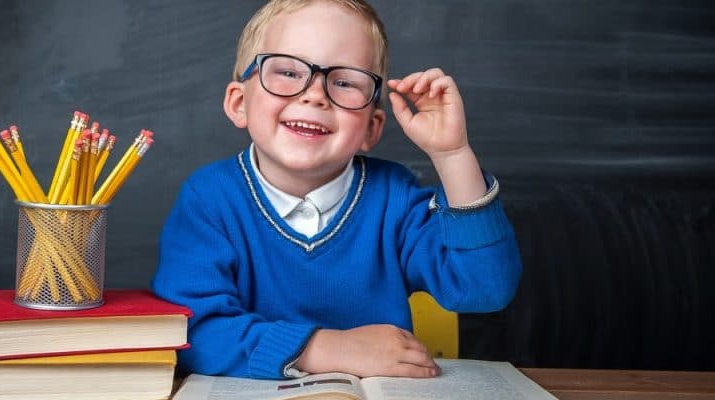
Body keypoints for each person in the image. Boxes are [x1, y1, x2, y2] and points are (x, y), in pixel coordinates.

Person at [152, 0, 522, 380]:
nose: (315, 94)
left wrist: (452, 154)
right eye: (287, 71)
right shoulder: (209, 200)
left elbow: (485, 288)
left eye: (344, 82)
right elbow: (192, 332)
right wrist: (324, 348)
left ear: (372, 128)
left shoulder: (393, 198)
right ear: (239, 102)